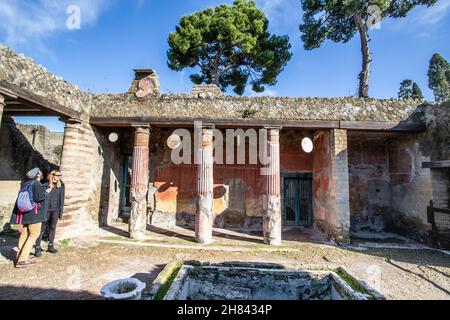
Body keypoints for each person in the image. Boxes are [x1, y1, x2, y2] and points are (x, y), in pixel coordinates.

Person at [10, 168, 48, 268]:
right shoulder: (36, 184)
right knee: (33, 235)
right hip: (34, 216)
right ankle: (22, 260)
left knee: (24, 235)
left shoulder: (24, 185)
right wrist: (46, 191)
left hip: (24, 216)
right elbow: (40, 198)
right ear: (38, 175)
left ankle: (20, 256)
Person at [35, 170, 65, 256]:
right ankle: (37, 247)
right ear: (52, 175)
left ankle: (50, 246)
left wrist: (60, 212)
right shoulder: (45, 186)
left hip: (55, 210)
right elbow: (40, 198)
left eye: (60, 175)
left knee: (52, 228)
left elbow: (62, 199)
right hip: (45, 211)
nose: (59, 177)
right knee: (42, 229)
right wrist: (46, 192)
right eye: (57, 175)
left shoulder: (61, 186)